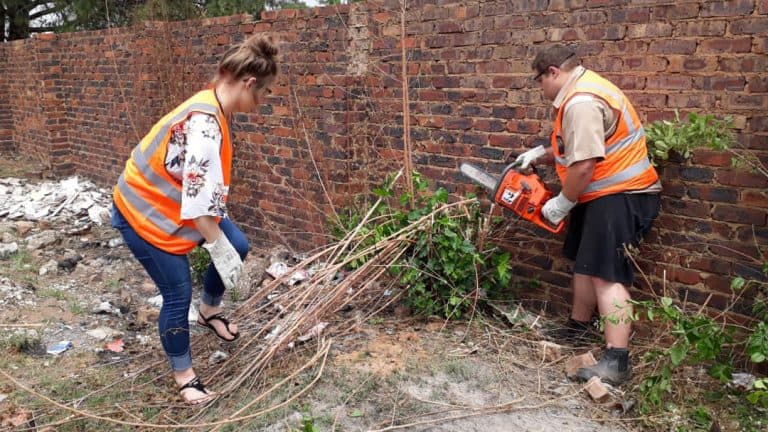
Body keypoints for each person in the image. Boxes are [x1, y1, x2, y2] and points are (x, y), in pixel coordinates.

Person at [111, 35, 278, 404]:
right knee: (177, 293)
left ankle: (209, 312)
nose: (262, 103)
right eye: (263, 94)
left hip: (175, 205)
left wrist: (227, 248)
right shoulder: (205, 124)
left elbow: (200, 193)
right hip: (142, 212)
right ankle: (185, 376)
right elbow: (202, 213)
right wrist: (220, 253)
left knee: (240, 243)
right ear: (249, 83)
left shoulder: (216, 105)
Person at [513, 44, 662, 385]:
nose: (541, 88)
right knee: (585, 261)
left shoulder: (580, 102)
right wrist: (541, 155)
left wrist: (562, 202)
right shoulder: (582, 92)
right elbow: (576, 148)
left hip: (621, 195)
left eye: (539, 80)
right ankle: (578, 330)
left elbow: (583, 165)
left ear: (553, 72)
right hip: (600, 194)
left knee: (607, 275)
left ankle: (616, 360)